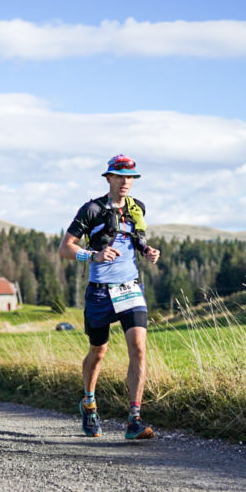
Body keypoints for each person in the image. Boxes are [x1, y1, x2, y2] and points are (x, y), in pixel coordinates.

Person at [58, 154, 161, 440]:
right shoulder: (91, 209)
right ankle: (89, 404)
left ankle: (134, 419)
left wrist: (148, 251)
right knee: (98, 351)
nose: (126, 182)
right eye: (120, 176)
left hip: (130, 288)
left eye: (130, 177)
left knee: (139, 348)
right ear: (109, 178)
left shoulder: (137, 208)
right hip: (100, 292)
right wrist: (94, 255)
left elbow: (134, 240)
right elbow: (64, 249)